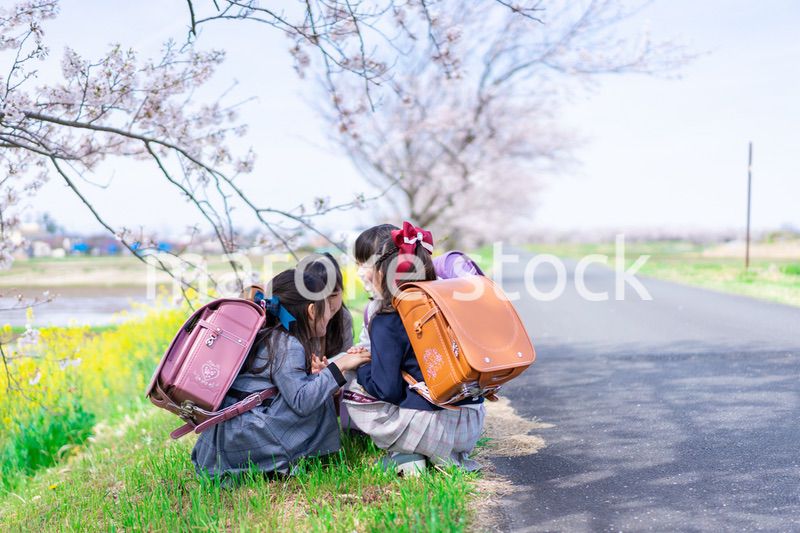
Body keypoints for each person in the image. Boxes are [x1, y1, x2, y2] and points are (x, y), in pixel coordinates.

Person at [191, 269, 370, 482]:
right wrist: (340, 365)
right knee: (318, 398)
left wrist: (320, 377)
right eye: (326, 307)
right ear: (312, 310)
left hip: (225, 436)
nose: (330, 314)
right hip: (245, 437)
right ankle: (297, 460)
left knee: (321, 384)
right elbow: (302, 401)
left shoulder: (267, 334)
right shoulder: (287, 344)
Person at [343, 222, 485, 475]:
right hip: (470, 423)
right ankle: (444, 455)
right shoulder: (442, 298)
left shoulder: (387, 317)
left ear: (383, 269)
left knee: (352, 381)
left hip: (432, 427)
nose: (360, 272)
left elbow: (386, 389)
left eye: (364, 264)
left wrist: (363, 365)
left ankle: (407, 454)